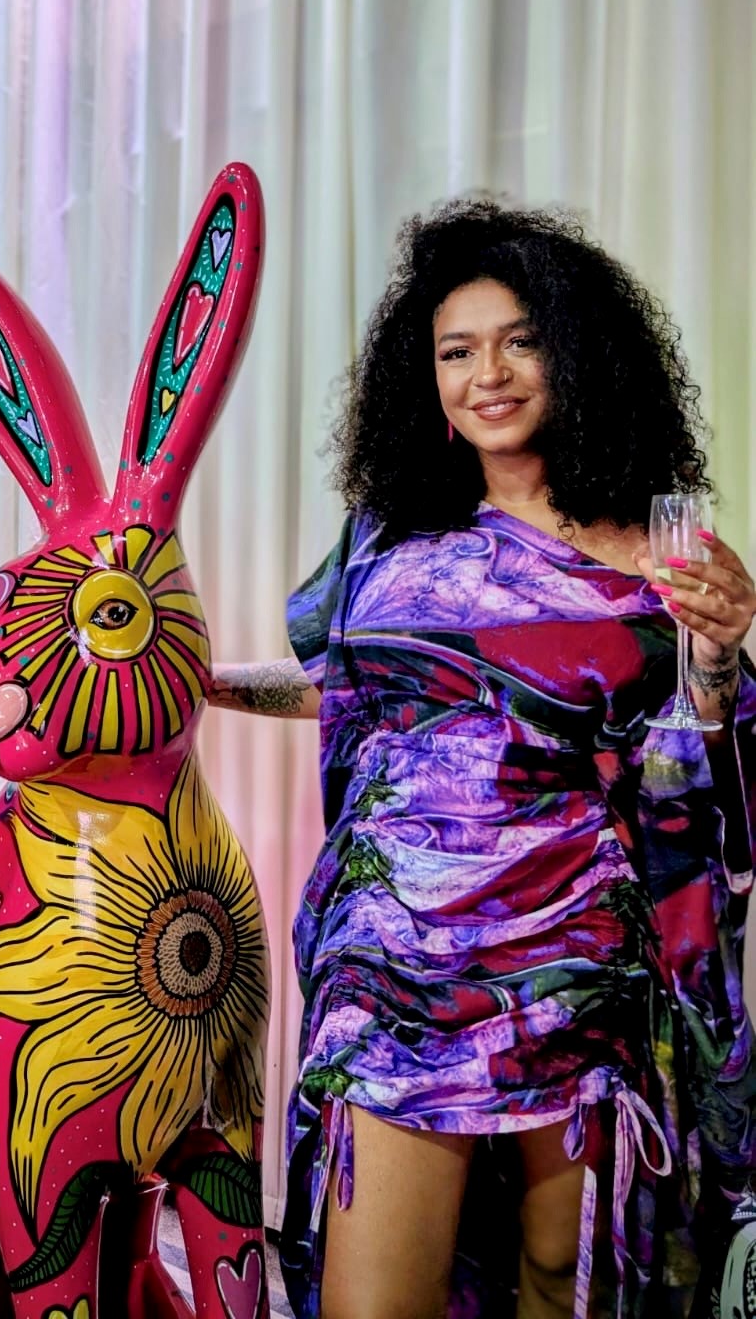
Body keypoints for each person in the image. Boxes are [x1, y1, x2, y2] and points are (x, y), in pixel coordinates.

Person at [210, 202, 756, 1319]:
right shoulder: (388, 536)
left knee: (566, 1274)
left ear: (577, 353)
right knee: (380, 1300)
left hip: (579, 959)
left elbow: (696, 763)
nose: (487, 373)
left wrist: (717, 654)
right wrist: (201, 682)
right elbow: (349, 685)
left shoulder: (662, 554)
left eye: (517, 340)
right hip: (395, 961)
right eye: (455, 351)